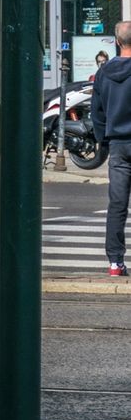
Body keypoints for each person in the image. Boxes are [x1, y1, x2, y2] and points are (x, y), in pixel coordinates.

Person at [90, 20, 131, 277]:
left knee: (117, 205)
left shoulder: (104, 73)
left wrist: (103, 141)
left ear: (117, 42)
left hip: (117, 145)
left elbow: (97, 112)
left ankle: (115, 262)